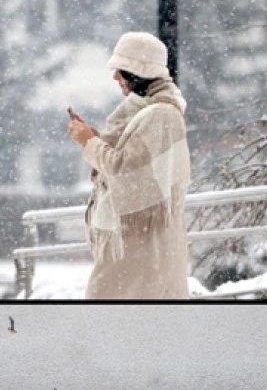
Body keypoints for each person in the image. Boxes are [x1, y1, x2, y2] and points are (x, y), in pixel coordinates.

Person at [67, 31, 192, 299]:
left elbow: (125, 170)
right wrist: (93, 139)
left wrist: (89, 142)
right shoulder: (145, 112)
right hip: (135, 243)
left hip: (141, 245)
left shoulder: (161, 116)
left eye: (120, 71)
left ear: (137, 73)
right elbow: (132, 163)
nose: (115, 78)